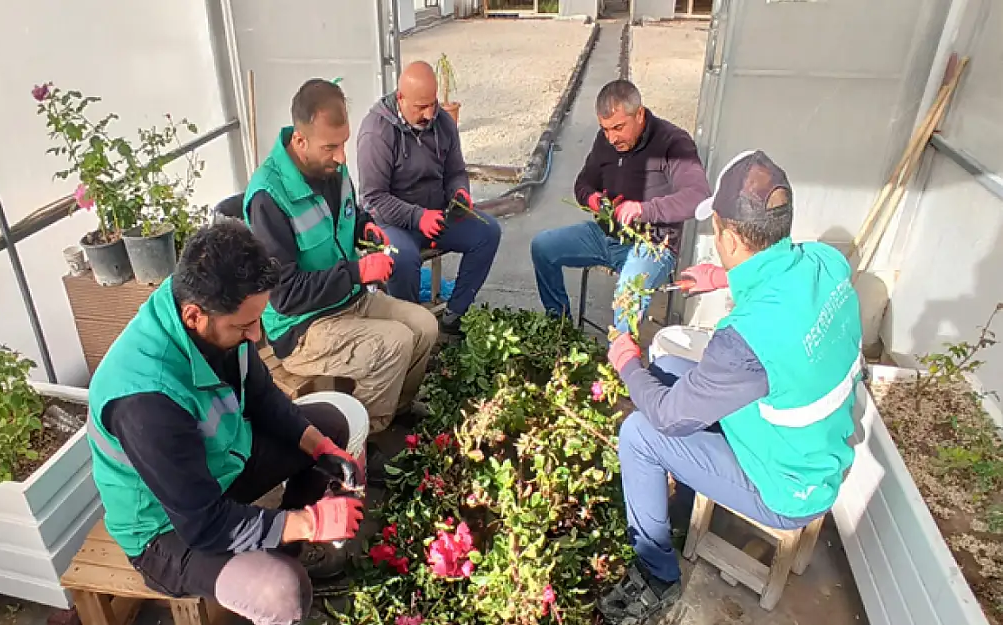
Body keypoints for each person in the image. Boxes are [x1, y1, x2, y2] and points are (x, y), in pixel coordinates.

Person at [598, 151, 863, 623]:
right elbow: (786, 283)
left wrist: (626, 361)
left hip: (788, 486)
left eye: (716, 228)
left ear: (732, 236)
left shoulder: (744, 341)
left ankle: (656, 576)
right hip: (818, 442)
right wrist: (723, 277)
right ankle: (674, 491)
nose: (715, 238)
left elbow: (666, 417)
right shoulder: (828, 262)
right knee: (669, 367)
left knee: (640, 432)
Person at [87, 221, 366, 625]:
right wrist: (310, 521)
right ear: (194, 316)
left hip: (222, 466)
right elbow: (202, 525)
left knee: (329, 428)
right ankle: (268, 556)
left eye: (257, 320)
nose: (256, 336)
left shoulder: (213, 314)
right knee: (284, 592)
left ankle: (273, 546)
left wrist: (323, 448)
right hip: (167, 527)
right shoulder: (146, 400)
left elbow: (265, 397)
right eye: (243, 326)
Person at [244, 78, 440, 431]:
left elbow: (349, 214)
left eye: (344, 143)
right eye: (331, 147)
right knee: (394, 343)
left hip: (350, 299)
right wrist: (358, 272)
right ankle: (365, 438)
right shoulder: (268, 199)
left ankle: (397, 410)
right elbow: (285, 296)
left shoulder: (331, 167)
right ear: (299, 140)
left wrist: (365, 225)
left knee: (424, 326)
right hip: (303, 327)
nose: (342, 156)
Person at [530, 79, 710, 332]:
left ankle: (622, 363)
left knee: (627, 293)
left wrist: (643, 209)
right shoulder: (605, 142)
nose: (612, 138)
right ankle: (559, 328)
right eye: (605, 129)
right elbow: (583, 183)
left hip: (653, 244)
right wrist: (593, 200)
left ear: (639, 114)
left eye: (618, 127)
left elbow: (699, 195)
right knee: (543, 247)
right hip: (605, 235)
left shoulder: (673, 142)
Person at [356, 60, 502, 335]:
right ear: (400, 98)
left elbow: (456, 171)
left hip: (437, 215)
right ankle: (409, 331)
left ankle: (455, 315)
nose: (429, 113)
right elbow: (374, 198)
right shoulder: (376, 132)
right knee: (403, 258)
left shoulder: (443, 122)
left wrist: (459, 193)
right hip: (393, 222)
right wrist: (417, 217)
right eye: (420, 107)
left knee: (488, 231)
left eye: (432, 103)